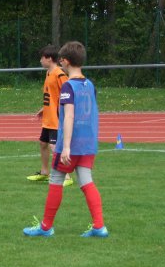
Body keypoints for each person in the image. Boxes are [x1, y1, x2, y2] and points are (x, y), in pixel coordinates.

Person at [23, 41, 108, 238]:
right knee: (87, 182)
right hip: (88, 143)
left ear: (67, 61)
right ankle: (99, 226)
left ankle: (46, 227)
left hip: (71, 143)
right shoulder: (90, 84)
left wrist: (66, 147)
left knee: (55, 180)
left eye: (61, 60)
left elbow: (69, 116)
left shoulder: (68, 87)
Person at [27, 45, 73, 187]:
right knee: (43, 143)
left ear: (49, 59)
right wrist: (44, 108)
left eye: (42, 58)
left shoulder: (60, 75)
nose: (40, 60)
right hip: (48, 117)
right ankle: (45, 172)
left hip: (56, 118)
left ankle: (67, 175)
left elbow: (68, 94)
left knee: (54, 146)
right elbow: (52, 95)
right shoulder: (48, 73)